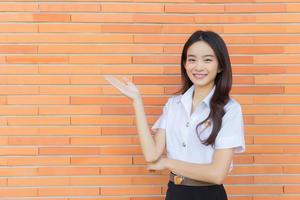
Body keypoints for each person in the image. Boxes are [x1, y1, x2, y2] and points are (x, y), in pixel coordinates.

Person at [104, 30, 245, 200]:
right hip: (175, 193)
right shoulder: (174, 105)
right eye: (192, 59)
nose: (198, 67)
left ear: (220, 66)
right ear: (185, 64)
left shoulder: (230, 109)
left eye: (207, 60)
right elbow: (152, 154)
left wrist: (168, 163)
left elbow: (217, 174)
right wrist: (137, 101)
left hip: (209, 195)